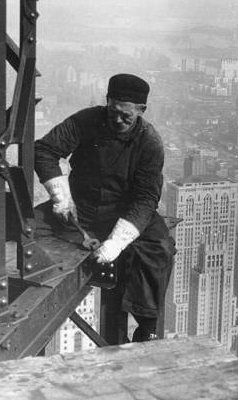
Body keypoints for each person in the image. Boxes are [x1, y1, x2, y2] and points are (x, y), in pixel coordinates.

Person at [34, 73, 175, 343]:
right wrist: (61, 196)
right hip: (81, 207)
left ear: (141, 111)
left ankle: (147, 323)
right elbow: (45, 150)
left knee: (160, 248)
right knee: (27, 226)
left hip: (125, 212)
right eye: (114, 111)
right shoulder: (86, 120)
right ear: (107, 101)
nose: (118, 120)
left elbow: (146, 198)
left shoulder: (149, 143)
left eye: (126, 116)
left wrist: (116, 243)